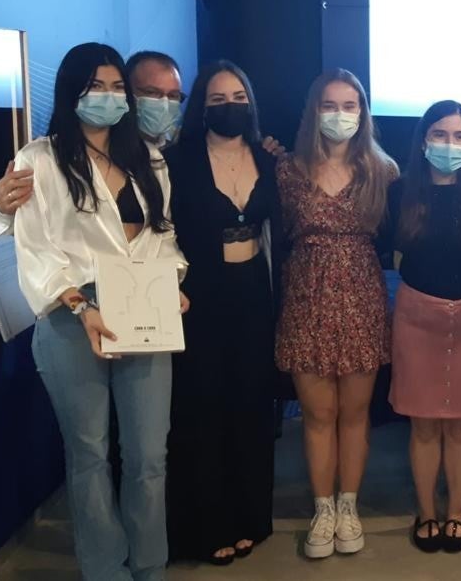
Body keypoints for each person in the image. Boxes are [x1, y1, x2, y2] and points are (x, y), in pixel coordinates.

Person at [12, 42, 187, 581]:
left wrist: (172, 282)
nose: (108, 98)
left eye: (116, 87)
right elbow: (35, 247)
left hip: (142, 309)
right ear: (71, 92)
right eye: (96, 87)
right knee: (88, 455)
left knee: (148, 457)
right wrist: (81, 305)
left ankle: (150, 567)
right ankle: (105, 571)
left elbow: (164, 236)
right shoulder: (38, 159)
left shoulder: (148, 158)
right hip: (72, 317)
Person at [162, 61, 281, 565]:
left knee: (251, 406)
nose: (229, 106)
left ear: (250, 102)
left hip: (255, 293)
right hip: (199, 297)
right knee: (201, 409)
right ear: (201, 107)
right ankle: (207, 523)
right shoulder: (177, 160)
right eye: (217, 99)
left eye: (238, 97)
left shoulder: (268, 156)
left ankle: (250, 515)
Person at [277, 68, 398, 559]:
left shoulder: (382, 171)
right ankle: (322, 507)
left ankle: (349, 505)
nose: (340, 115)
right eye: (331, 105)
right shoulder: (286, 169)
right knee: (317, 414)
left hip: (361, 299)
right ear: (314, 110)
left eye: (350, 106)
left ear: (363, 113)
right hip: (306, 299)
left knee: (355, 413)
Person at [0, 51, 285, 236]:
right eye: (152, 94)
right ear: (128, 94)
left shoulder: (167, 156)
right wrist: (3, 208)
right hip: (75, 305)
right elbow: (29, 235)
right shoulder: (53, 156)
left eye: (172, 96)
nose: (163, 104)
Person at [377, 100, 461, 554]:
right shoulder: (401, 190)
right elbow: (381, 247)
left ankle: (456, 512)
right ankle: (427, 513)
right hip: (417, 316)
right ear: (424, 140)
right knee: (424, 425)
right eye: (441, 135)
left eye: (460, 136)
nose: (450, 144)